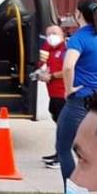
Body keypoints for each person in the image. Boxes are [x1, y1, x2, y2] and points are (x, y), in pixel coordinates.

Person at [43, 0, 97, 194]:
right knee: (89, 150)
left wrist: (68, 89)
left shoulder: (78, 38)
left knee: (64, 148)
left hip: (79, 99)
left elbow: (68, 66)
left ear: (78, 14)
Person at [35, 25, 67, 168]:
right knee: (57, 122)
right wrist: (41, 74)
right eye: (48, 34)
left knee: (63, 125)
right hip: (53, 93)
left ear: (62, 34)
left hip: (62, 93)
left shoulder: (66, 50)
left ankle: (62, 157)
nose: (51, 36)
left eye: (54, 33)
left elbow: (68, 70)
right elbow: (42, 65)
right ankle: (58, 152)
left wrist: (52, 76)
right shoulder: (48, 49)